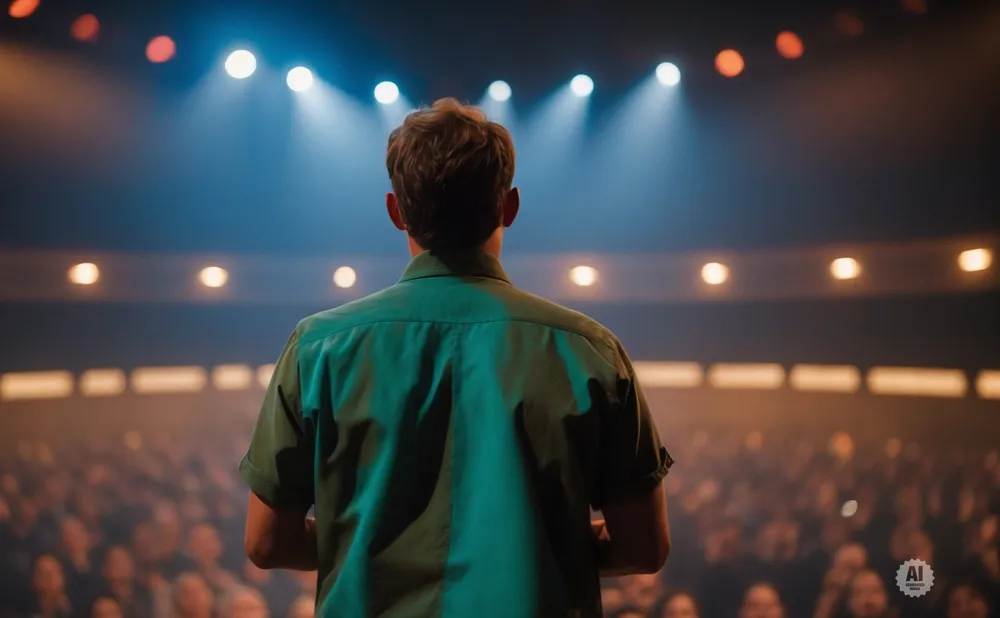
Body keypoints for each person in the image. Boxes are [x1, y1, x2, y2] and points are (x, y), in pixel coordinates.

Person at [239, 98, 673, 618]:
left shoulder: (318, 348)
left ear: (396, 211)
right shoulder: (589, 351)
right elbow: (644, 548)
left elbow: (265, 543)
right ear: (509, 206)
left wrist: (370, 551)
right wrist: (537, 552)